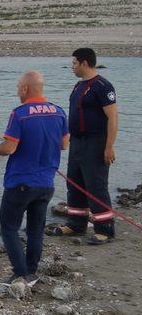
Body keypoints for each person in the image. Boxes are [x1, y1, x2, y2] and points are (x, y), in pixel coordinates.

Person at [0, 70, 69, 286]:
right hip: (46, 183)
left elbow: (10, 147)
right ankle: (31, 271)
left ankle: (21, 273)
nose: (17, 91)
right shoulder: (59, 112)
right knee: (35, 230)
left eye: (17, 87)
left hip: (20, 183)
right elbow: (63, 144)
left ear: (25, 88)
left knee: (9, 228)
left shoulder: (20, 113)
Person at [47, 48, 118, 244]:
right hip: (77, 142)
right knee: (75, 182)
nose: (72, 67)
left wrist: (109, 146)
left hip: (96, 142)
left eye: (74, 63)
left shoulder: (103, 86)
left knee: (96, 185)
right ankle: (76, 224)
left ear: (84, 63)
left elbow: (112, 118)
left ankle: (105, 229)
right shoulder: (79, 85)